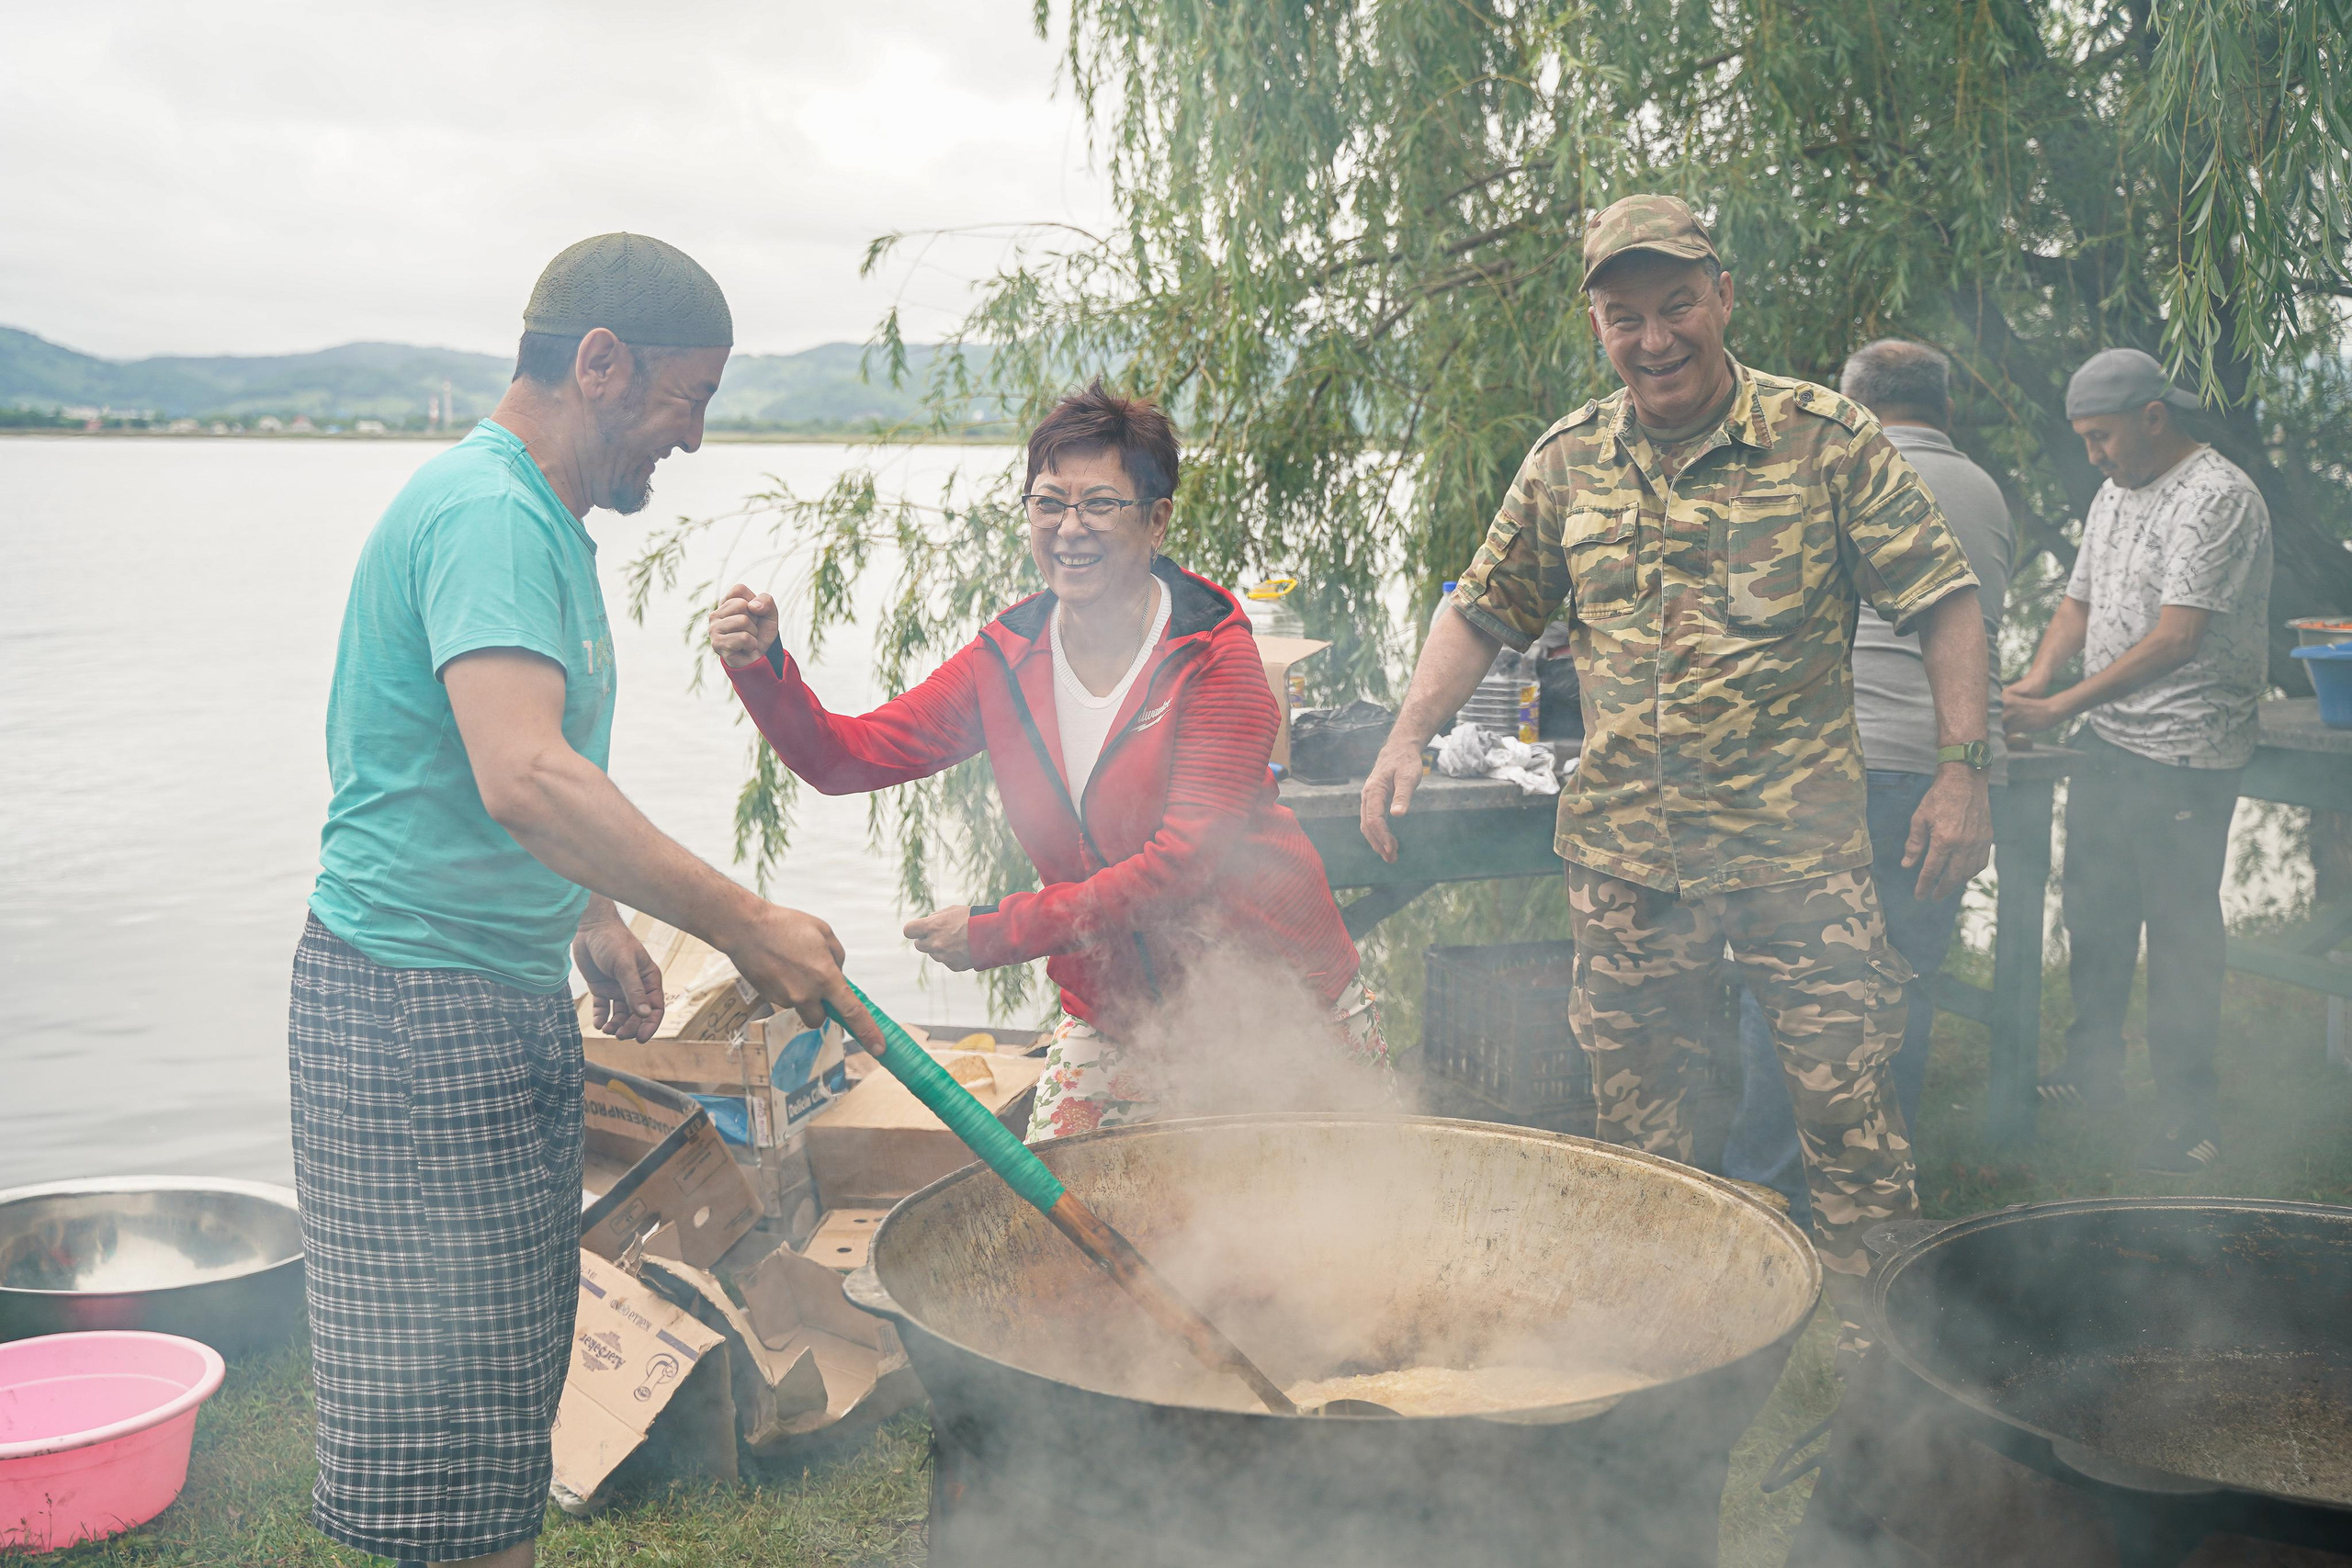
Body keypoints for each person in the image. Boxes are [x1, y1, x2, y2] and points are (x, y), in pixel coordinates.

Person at [290, 233, 882, 1568]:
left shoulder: (527, 516)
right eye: (691, 396)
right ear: (600, 364)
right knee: (443, 1437)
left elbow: (478, 765)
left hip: (475, 992)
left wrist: (586, 914)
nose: (694, 434)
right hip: (412, 1011)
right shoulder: (491, 512)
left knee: (497, 1399)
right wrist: (745, 920)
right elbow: (526, 772)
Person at [1359, 195, 1995, 1352]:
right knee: (1638, 1118)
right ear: (1597, 326)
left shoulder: (1826, 438)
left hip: (1796, 858)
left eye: (1675, 307)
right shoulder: (1566, 460)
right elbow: (1480, 608)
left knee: (1849, 1110)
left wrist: (1961, 769)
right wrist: (1405, 736)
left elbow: (1944, 601)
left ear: (1723, 300)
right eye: (1622, 317)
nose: (1653, 338)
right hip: (1626, 864)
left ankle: (1888, 1362)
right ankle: (1663, 1341)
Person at [708, 381, 1385, 1141]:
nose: (1070, 528)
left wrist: (996, 931)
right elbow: (846, 758)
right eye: (1048, 502)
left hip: (1276, 997)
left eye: (1100, 503)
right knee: (1056, 1231)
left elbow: (1183, 865)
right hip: (1117, 1012)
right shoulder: (1008, 658)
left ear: (1156, 518)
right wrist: (763, 669)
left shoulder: (1214, 658)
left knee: (1319, 1229)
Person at [1722, 340, 2014, 1223]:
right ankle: (1880, 1193)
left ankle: (1772, 1198)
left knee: (1785, 985)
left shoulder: (1837, 468)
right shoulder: (1988, 493)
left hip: (1834, 772)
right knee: (1901, 984)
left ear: (1853, 405)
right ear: (1944, 408)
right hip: (1942, 776)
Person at [2006, 347, 2272, 1172]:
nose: (2093, 454)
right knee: (2095, 910)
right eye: (2084, 438)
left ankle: (2191, 1114)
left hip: (2188, 750)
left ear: (2154, 417)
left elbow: (2176, 637)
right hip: (2113, 741)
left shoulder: (2216, 496)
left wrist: (2058, 708)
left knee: (2182, 931)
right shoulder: (2116, 492)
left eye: (2102, 436)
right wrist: (2039, 675)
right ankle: (2093, 1072)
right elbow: (2080, 599)